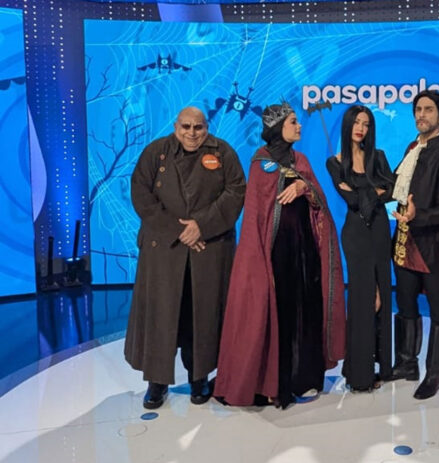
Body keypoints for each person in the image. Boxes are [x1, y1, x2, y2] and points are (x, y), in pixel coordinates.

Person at [214, 101, 346, 409]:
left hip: (305, 251)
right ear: (277, 128)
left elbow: (319, 201)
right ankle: (274, 382)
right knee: (280, 314)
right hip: (274, 253)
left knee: (306, 310)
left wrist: (303, 187)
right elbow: (256, 214)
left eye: (298, 122)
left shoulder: (301, 160)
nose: (299, 127)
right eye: (293, 122)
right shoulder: (261, 162)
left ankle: (305, 378)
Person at [125, 106, 246, 409]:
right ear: (176, 126)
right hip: (164, 250)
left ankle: (199, 377)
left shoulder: (223, 153)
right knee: (162, 315)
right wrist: (179, 230)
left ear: (207, 127)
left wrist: (201, 226)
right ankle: (156, 382)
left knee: (200, 315)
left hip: (208, 249)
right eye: (186, 127)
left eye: (198, 127)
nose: (192, 133)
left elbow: (236, 192)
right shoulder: (156, 152)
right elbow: (141, 193)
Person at [390, 90, 439, 400]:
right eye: (418, 109)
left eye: (428, 109)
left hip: (433, 246)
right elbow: (396, 186)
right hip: (404, 240)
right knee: (405, 303)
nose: (421, 114)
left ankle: (434, 375)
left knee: (438, 310)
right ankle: (406, 363)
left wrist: (416, 216)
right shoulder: (413, 148)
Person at [326, 105, 395, 392]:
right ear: (348, 125)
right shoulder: (335, 162)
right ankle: (360, 374)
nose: (361, 128)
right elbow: (352, 202)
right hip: (355, 234)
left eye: (366, 124)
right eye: (357, 122)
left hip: (379, 230)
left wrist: (364, 192)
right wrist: (373, 192)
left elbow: (392, 190)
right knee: (362, 298)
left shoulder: (378, 157)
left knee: (382, 297)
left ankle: (382, 367)